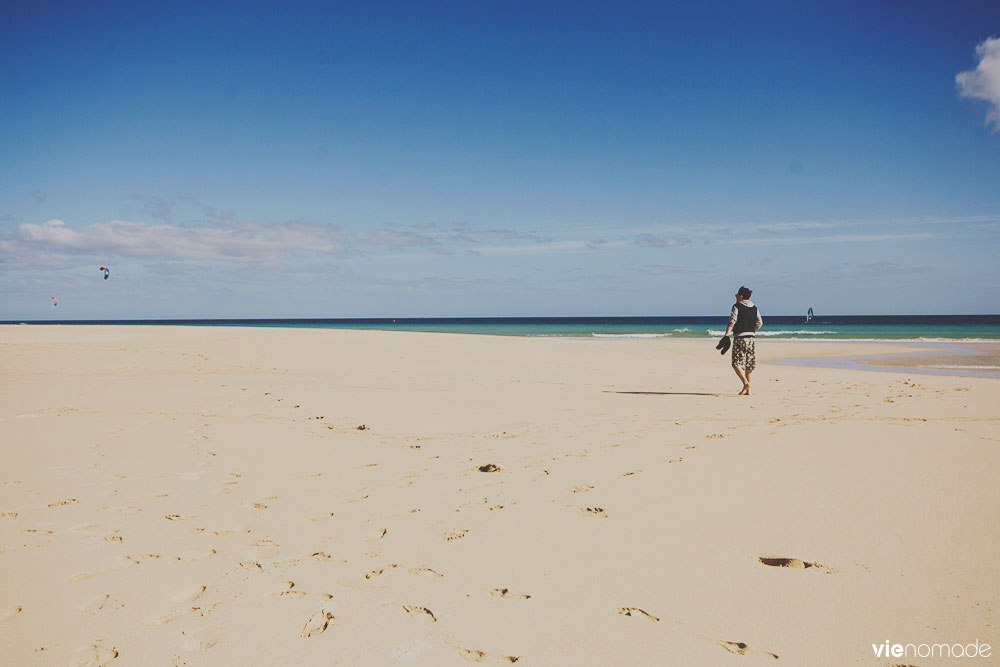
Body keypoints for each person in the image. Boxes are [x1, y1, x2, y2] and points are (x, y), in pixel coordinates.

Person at [723, 286, 762, 395]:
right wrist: (751, 330)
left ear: (741, 296)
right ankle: (748, 390)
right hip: (751, 338)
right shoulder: (755, 307)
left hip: (740, 337)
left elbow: (732, 320)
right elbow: (760, 323)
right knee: (749, 363)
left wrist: (726, 334)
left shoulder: (737, 306)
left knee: (736, 363)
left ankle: (745, 383)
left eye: (736, 295)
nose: (735, 296)